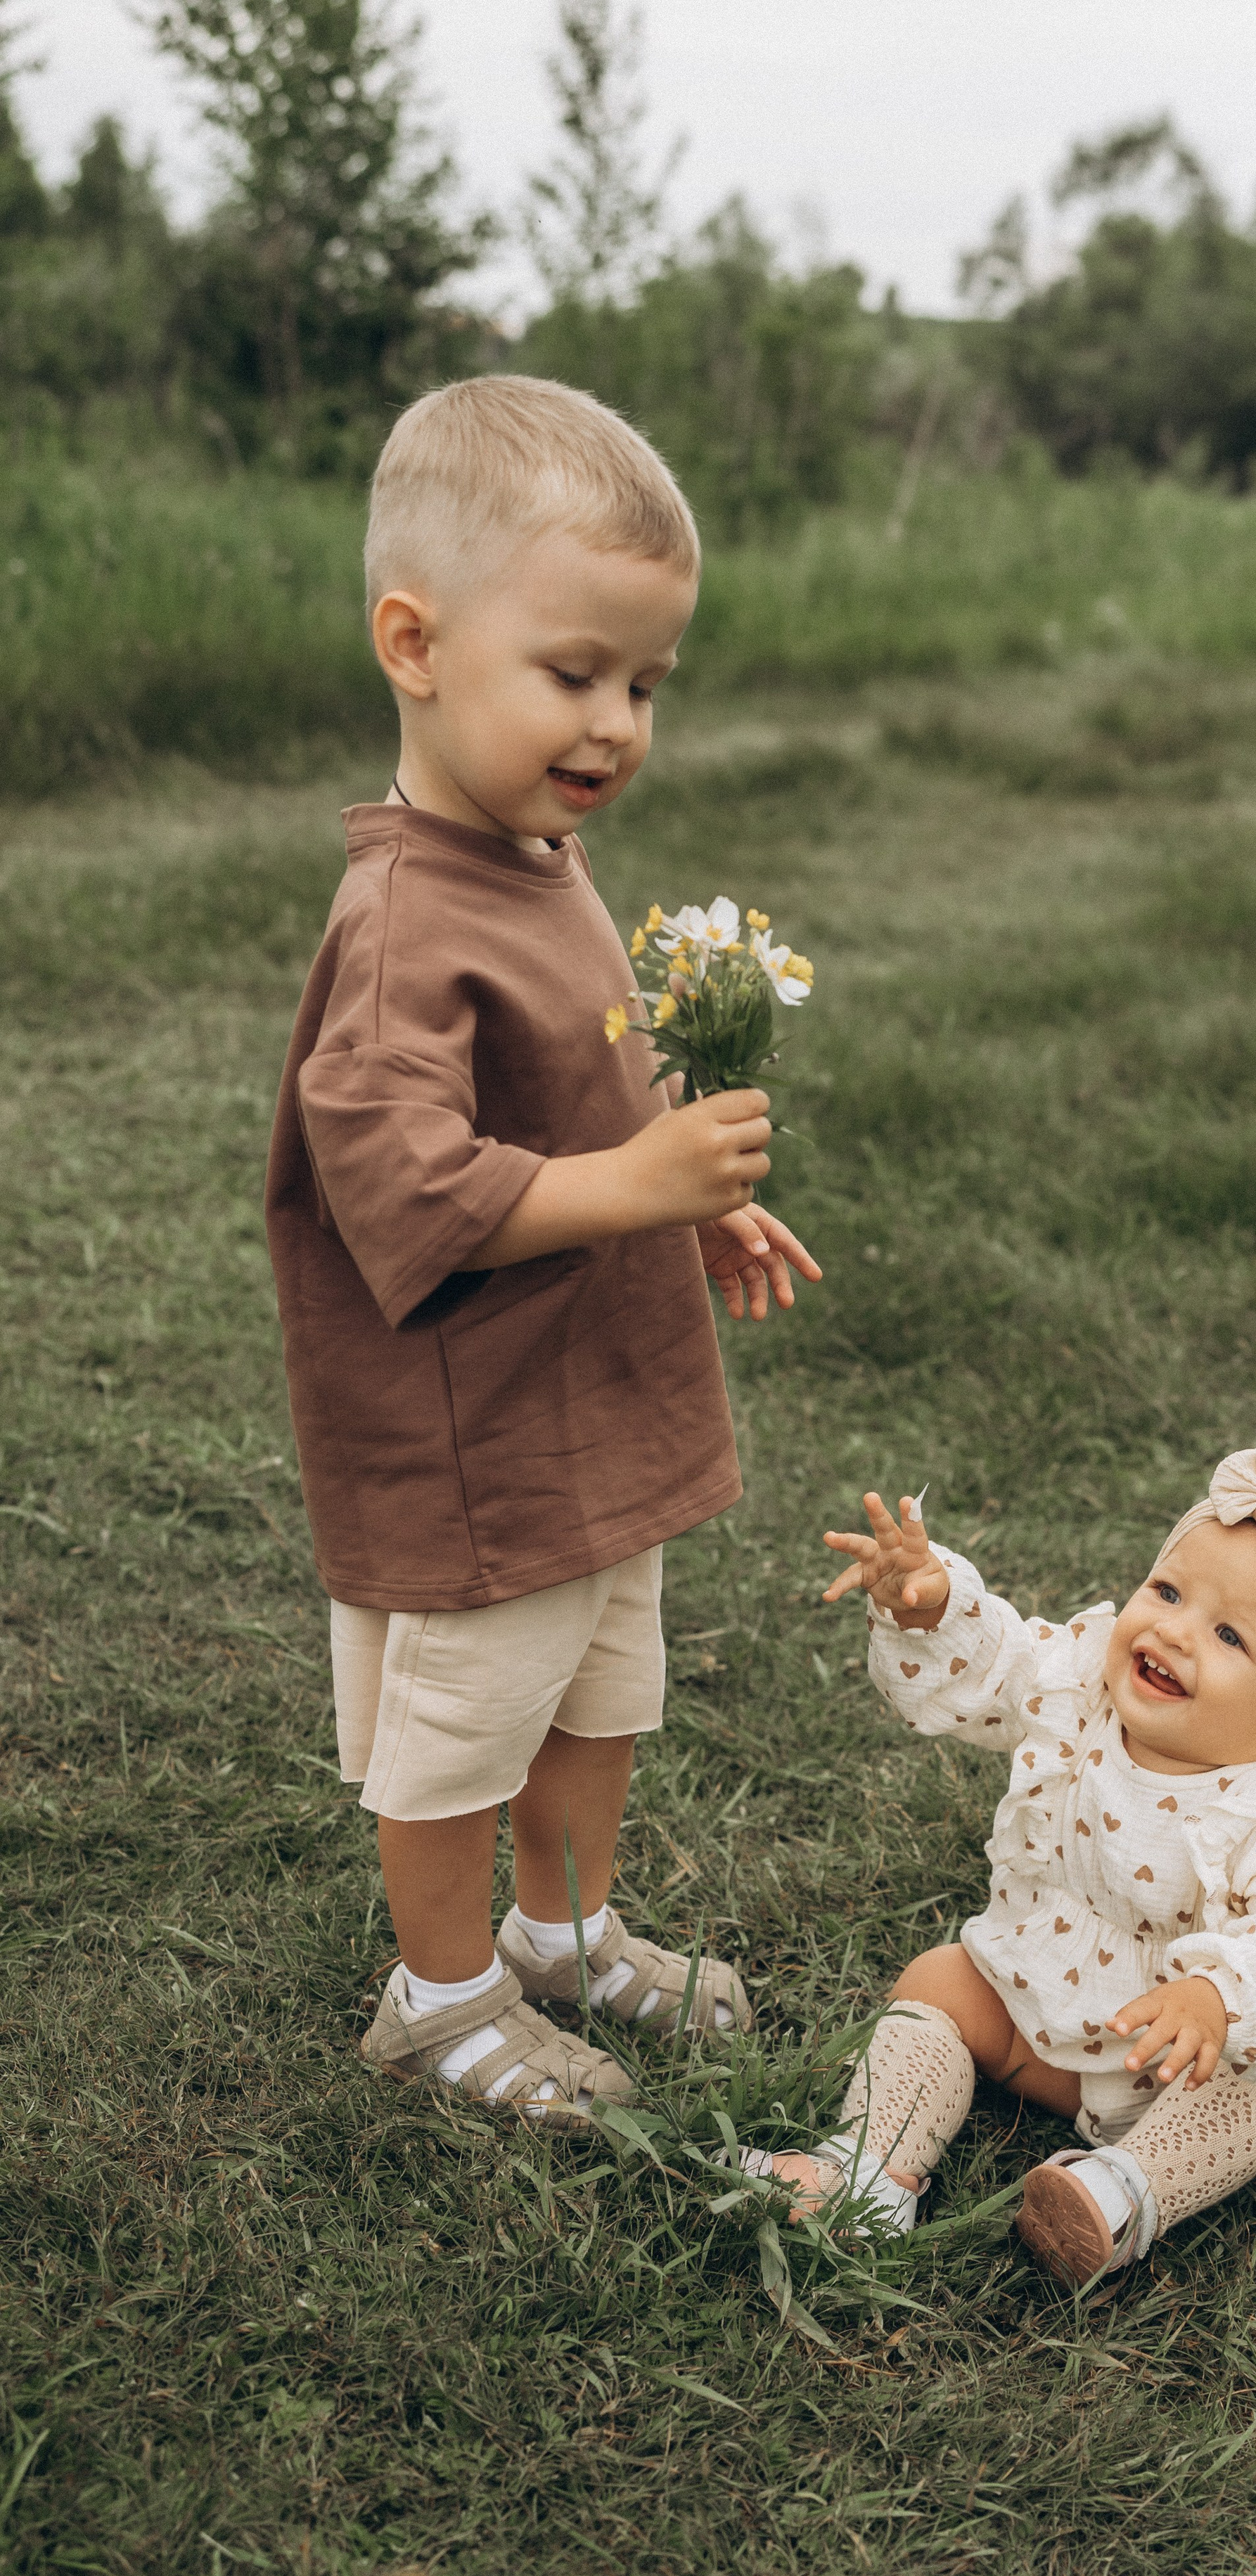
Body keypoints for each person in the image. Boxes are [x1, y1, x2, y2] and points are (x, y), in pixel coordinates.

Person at [264, 375, 819, 2125]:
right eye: (573, 672)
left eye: (645, 682)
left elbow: (578, 1098)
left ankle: (562, 1933)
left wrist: (686, 1194)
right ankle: (438, 1999)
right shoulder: (400, 924)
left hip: (588, 1402)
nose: (614, 722)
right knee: (462, 1724)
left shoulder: (537, 854)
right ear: (413, 644)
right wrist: (631, 1181)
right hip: (475, 1434)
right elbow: (406, 1188)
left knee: (597, 1691)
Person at [743, 1448, 1256, 2287]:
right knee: (941, 1978)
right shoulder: (1079, 1687)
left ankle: (1124, 2192)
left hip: (1182, 2073)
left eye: (1228, 1635)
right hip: (1048, 2022)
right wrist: (931, 1606)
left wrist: (1219, 1997)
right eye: (1168, 1591)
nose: (1173, 1630)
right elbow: (999, 1661)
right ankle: (870, 2175)